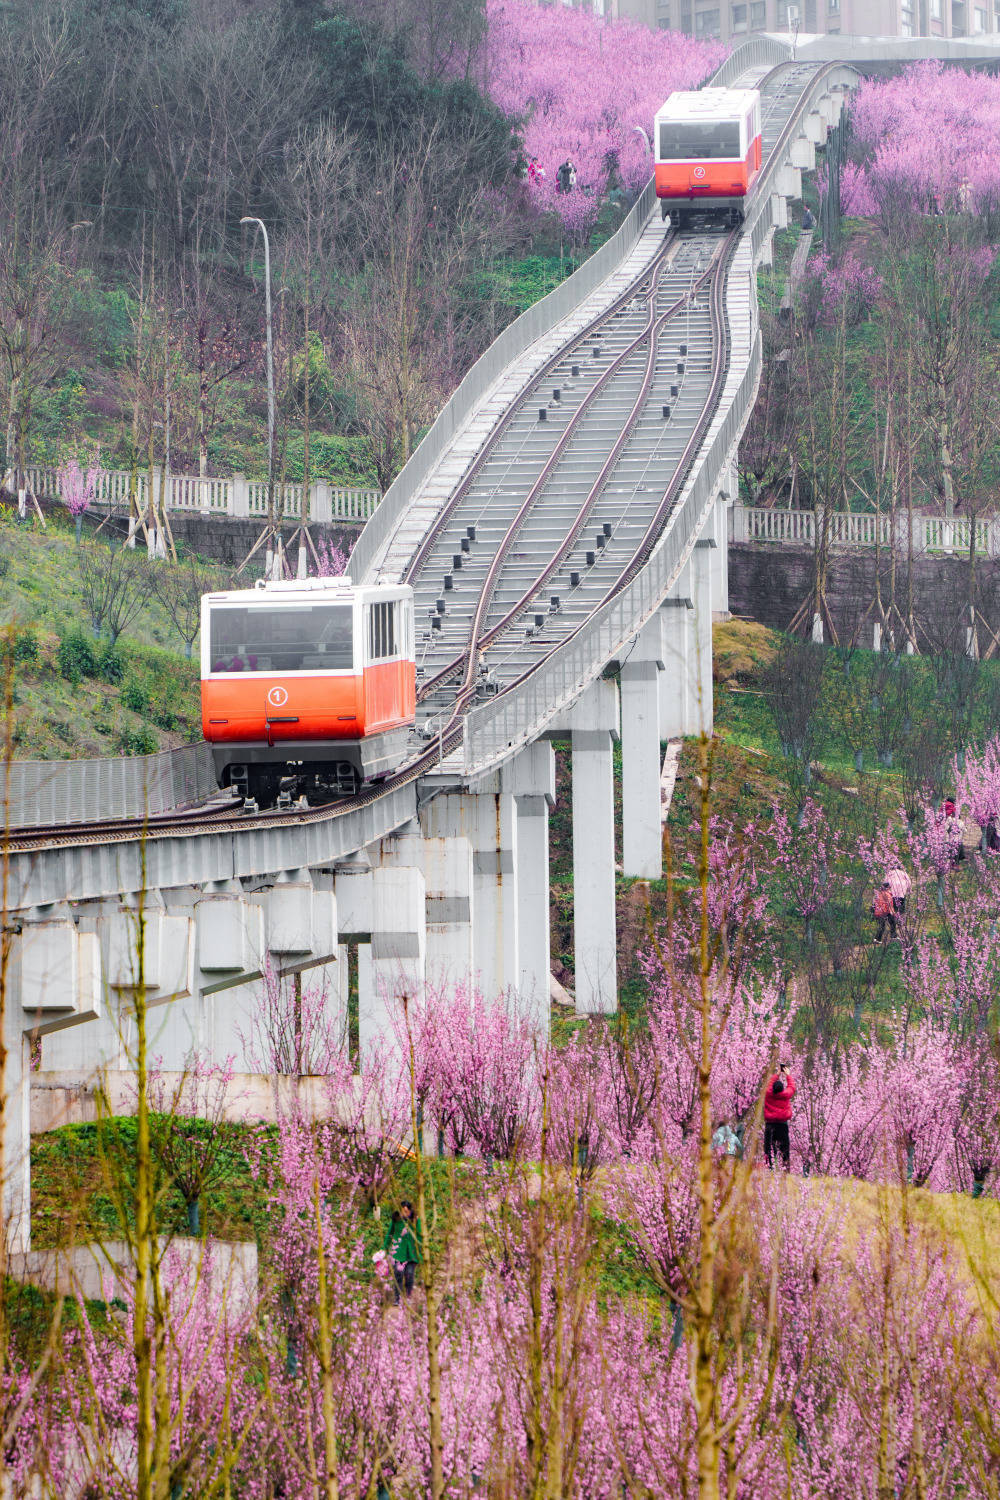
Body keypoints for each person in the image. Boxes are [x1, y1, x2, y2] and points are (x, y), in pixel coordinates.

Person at [383, 1200, 422, 1302]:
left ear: (410, 1211)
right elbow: (389, 1234)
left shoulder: (415, 1220)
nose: (405, 1213)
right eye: (403, 1210)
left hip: (411, 1253)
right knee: (398, 1274)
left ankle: (408, 1296)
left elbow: (419, 1236)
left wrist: (420, 1252)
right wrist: (384, 1248)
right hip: (398, 1252)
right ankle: (397, 1298)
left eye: (407, 1211)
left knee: (409, 1275)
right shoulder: (396, 1219)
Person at [763, 1063, 795, 1170]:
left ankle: (768, 1166)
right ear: (782, 1089)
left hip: (770, 1124)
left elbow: (769, 1084)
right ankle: (786, 1167)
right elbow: (792, 1087)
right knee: (784, 1148)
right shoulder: (785, 1094)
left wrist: (777, 1074)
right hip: (782, 1125)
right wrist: (788, 1075)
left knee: (768, 1147)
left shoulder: (768, 1093)